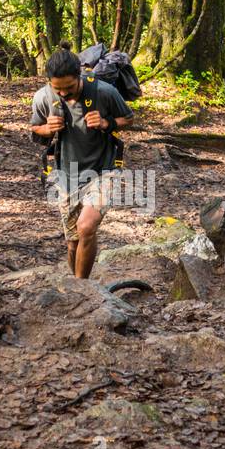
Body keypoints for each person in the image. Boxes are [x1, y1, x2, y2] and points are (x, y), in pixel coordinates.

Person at [31, 45, 134, 278]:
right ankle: (77, 287)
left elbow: (128, 118)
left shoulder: (103, 92)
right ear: (49, 83)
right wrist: (47, 128)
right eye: (58, 89)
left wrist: (107, 123)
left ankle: (82, 287)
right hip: (66, 174)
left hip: (103, 170)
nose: (64, 94)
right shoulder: (43, 97)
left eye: (69, 88)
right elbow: (35, 129)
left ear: (80, 75)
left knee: (86, 227)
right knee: (72, 243)